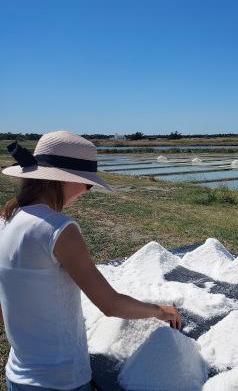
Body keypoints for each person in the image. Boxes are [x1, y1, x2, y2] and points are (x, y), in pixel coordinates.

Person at [0, 131, 181, 391]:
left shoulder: (5, 221)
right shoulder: (58, 229)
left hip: (17, 375)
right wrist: (162, 311)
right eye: (86, 182)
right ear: (62, 179)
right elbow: (111, 304)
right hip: (60, 380)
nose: (88, 189)